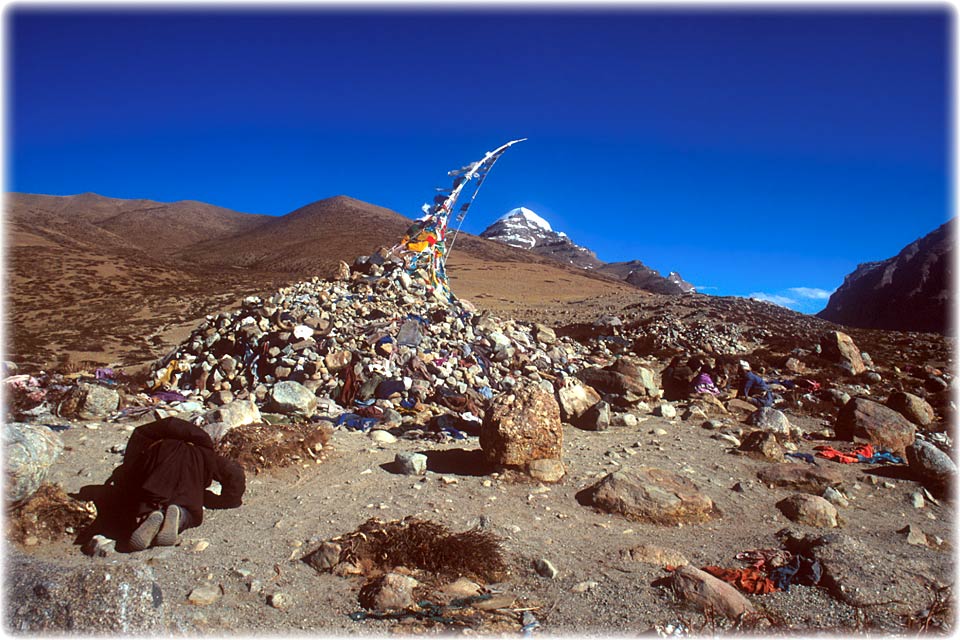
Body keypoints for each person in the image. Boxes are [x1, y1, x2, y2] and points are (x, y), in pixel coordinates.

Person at [108, 416, 245, 551]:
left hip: (154, 489)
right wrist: (224, 501)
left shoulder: (153, 446)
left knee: (145, 504)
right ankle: (179, 515)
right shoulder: (204, 454)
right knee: (190, 513)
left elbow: (127, 473)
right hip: (187, 495)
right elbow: (233, 473)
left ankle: (149, 515)